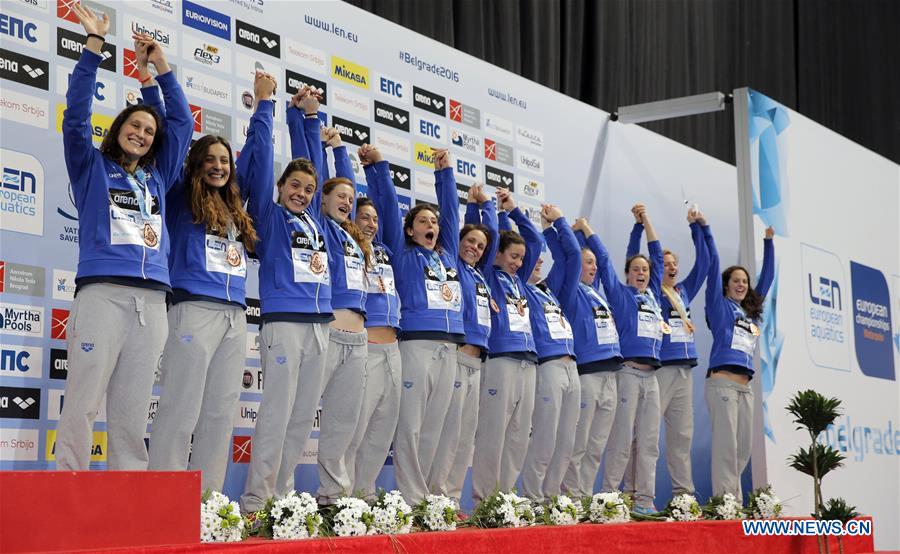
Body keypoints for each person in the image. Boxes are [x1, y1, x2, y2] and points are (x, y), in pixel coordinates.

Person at [56, 2, 192, 470]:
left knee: (133, 411)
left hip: (153, 302)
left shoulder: (158, 177)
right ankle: (67, 491)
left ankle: (126, 500)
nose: (142, 133)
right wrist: (94, 46)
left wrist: (159, 70)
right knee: (83, 400)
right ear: (117, 130)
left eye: (149, 130)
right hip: (103, 295)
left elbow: (182, 126)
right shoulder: (91, 167)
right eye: (134, 125)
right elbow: (75, 117)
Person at [148, 77, 259, 491]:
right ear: (194, 162)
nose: (218, 165)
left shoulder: (234, 206)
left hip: (235, 315)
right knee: (180, 407)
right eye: (210, 158)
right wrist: (156, 77)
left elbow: (259, 159)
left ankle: (207, 502)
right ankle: (163, 497)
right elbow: (172, 130)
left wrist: (263, 108)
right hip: (192, 308)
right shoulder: (177, 194)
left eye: (225, 160)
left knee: (220, 411)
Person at [237, 83, 334, 513]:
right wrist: (267, 107)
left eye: (309, 189)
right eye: (294, 185)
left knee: (301, 418)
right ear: (279, 188)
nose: (303, 192)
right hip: (283, 326)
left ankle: (284, 497)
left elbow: (313, 163)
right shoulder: (269, 216)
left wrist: (307, 118)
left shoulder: (314, 220)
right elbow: (257, 169)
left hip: (320, 328)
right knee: (276, 413)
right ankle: (257, 499)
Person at [287, 90, 374, 504]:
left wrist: (343, 149)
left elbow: (349, 186)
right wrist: (311, 119)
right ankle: (280, 494)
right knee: (300, 416)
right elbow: (318, 175)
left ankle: (334, 499)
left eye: (351, 199)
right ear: (321, 200)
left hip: (359, 341)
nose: (346, 201)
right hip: (326, 332)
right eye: (338, 196)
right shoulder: (318, 223)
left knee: (343, 423)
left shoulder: (355, 239)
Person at [366, 146, 464, 505]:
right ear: (409, 230)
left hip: (448, 347)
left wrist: (445, 174)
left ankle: (421, 496)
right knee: (409, 426)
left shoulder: (447, 254)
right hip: (416, 345)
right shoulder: (401, 253)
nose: (431, 227)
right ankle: (411, 499)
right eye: (422, 222)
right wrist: (378, 167)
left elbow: (452, 213)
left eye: (433, 223)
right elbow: (389, 210)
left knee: (433, 428)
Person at [622, 206, 710, 498]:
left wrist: (699, 227)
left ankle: (683, 496)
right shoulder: (651, 293)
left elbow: (706, 262)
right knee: (641, 435)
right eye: (666, 264)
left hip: (685, 372)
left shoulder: (684, 292)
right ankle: (632, 492)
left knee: (682, 437)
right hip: (659, 370)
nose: (671, 267)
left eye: (675, 264)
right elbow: (633, 260)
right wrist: (639, 226)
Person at [591, 205, 665, 514]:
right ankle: (609, 499)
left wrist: (645, 221)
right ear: (627, 274)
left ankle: (644, 501)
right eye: (636, 269)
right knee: (621, 440)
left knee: (649, 444)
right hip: (629, 373)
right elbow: (607, 263)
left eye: (645, 270)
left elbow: (656, 256)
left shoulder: (654, 296)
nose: (642, 273)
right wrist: (589, 232)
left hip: (653, 378)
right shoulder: (620, 294)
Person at [428, 183, 499, 504]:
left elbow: (491, 235)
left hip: (478, 363)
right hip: (455, 358)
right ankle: (436, 497)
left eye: (480, 246)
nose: (475, 247)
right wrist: (477, 207)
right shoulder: (453, 266)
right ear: (457, 243)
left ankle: (452, 501)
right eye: (469, 241)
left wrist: (481, 206)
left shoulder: (480, 274)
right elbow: (469, 229)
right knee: (448, 432)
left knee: (465, 436)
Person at [471, 189, 543, 501]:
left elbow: (536, 243)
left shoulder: (519, 280)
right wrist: (487, 207)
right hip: (500, 358)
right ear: (497, 254)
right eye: (512, 257)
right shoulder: (488, 274)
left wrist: (513, 210)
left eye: (520, 259)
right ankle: (485, 500)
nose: (517, 263)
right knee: (493, 432)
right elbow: (485, 237)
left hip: (529, 361)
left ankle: (505, 498)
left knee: (518, 436)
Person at [343, 155, 402, 499]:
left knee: (383, 427)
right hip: (365, 346)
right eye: (364, 216)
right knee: (356, 425)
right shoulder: (349, 246)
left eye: (374, 219)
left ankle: (364, 495)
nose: (371, 223)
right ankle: (344, 495)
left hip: (394, 348)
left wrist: (379, 169)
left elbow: (392, 209)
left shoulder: (386, 251)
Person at [704, 225, 774, 499]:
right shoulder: (719, 307)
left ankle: (731, 501)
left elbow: (766, 280)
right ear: (726, 285)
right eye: (736, 280)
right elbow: (713, 269)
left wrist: (768, 244)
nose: (742, 284)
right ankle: (726, 502)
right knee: (726, 447)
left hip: (746, 388)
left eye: (745, 281)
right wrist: (706, 231)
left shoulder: (750, 313)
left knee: (742, 448)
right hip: (722, 384)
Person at [518, 205, 582, 503]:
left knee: (566, 441)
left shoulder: (550, 290)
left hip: (572, 368)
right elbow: (532, 249)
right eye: (532, 259)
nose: (539, 261)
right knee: (544, 437)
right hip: (548, 367)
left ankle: (552, 499)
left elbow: (572, 257)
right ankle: (533, 497)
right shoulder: (519, 288)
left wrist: (555, 224)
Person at [561, 217, 624, 498]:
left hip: (612, 375)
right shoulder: (572, 292)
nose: (594, 266)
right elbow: (573, 257)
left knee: (597, 445)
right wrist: (581, 231)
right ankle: (571, 496)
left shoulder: (598, 294)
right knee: (580, 443)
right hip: (587, 374)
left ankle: (585, 496)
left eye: (593, 264)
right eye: (588, 263)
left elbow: (604, 258)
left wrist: (589, 234)